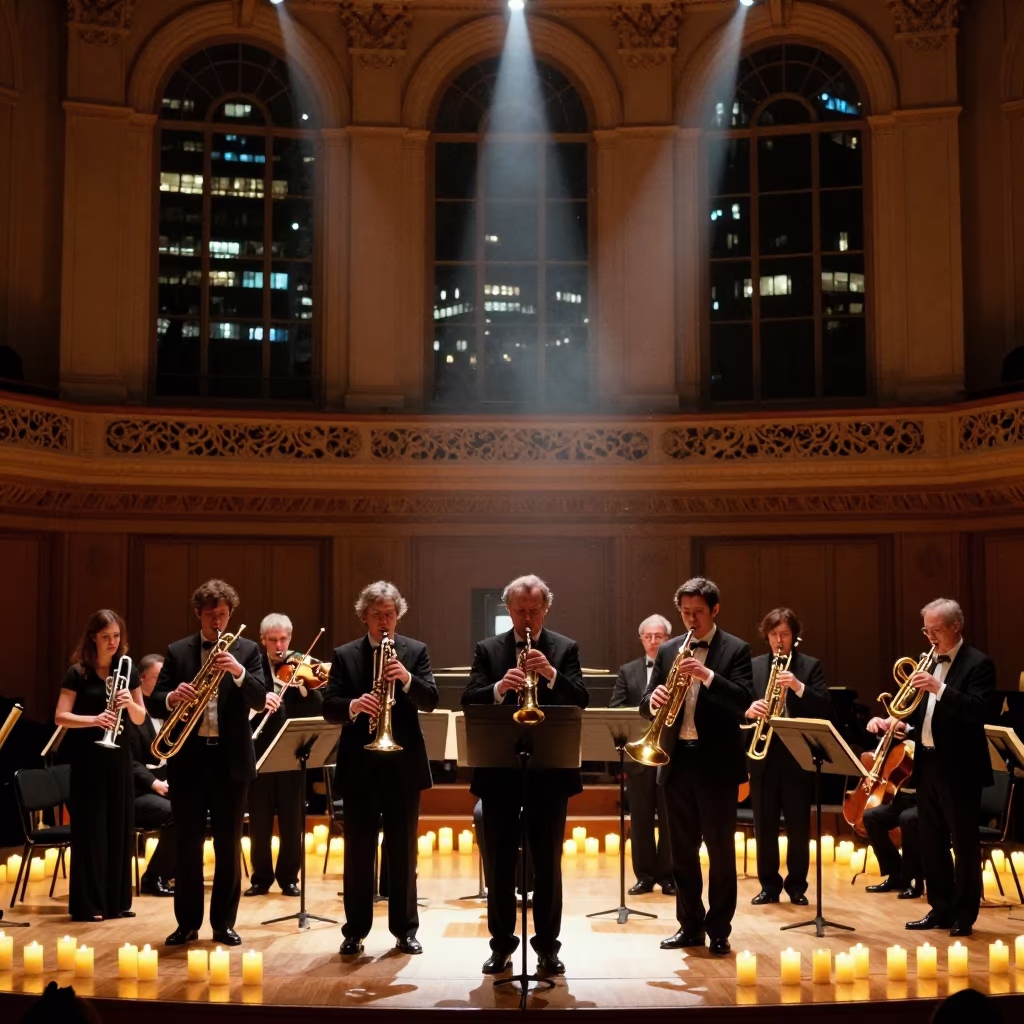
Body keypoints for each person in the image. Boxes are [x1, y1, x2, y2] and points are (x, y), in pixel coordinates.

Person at [461, 574, 589, 977]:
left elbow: (581, 699)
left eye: (534, 610)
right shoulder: (488, 649)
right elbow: (468, 700)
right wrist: (500, 687)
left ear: (545, 609)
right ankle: (501, 946)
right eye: (520, 611)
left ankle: (548, 948)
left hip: (549, 772)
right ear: (508, 609)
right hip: (499, 772)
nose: (527, 618)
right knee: (499, 864)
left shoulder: (565, 648)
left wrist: (550, 674)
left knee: (548, 863)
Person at [148, 578, 266, 946]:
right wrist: (171, 698)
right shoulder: (178, 651)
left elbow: (262, 698)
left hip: (230, 761)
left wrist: (238, 672)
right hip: (189, 761)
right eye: (212, 615)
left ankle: (223, 924)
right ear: (198, 613)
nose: (219, 622)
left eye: (225, 615)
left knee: (229, 846)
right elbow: (155, 701)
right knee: (187, 845)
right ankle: (187, 924)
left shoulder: (246, 650)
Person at [322, 582, 438, 956]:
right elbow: (329, 706)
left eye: (389, 614)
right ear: (364, 617)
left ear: (398, 615)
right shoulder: (345, 655)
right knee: (358, 852)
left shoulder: (415, 652)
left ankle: (405, 930)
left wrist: (405, 678)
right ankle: (355, 929)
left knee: (403, 851)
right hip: (360, 768)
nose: (384, 621)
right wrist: (355, 705)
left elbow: (431, 700)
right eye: (376, 615)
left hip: (403, 766)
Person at [868, 598, 995, 937]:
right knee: (931, 840)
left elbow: (979, 711)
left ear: (956, 627)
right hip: (928, 763)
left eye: (937, 630)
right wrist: (899, 726)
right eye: (927, 630)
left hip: (961, 769)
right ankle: (939, 907)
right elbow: (926, 720)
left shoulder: (978, 664)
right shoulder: (929, 661)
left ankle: (963, 914)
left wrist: (939, 687)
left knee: (964, 845)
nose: (930, 637)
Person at [640, 577, 752, 957]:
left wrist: (707, 676)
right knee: (681, 852)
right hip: (676, 761)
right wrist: (652, 700)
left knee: (720, 851)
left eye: (698, 613)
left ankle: (718, 928)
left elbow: (743, 701)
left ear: (715, 610)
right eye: (685, 613)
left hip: (716, 764)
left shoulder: (736, 649)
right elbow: (644, 703)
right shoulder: (669, 648)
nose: (691, 620)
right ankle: (689, 926)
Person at [55, 609, 146, 922]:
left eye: (116, 636)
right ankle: (89, 904)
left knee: (118, 826)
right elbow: (60, 716)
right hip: (88, 760)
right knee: (91, 829)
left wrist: (129, 703)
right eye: (106, 636)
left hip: (118, 757)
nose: (112, 642)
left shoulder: (128, 670)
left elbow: (140, 717)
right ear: (93, 637)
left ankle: (116, 902)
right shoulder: (77, 673)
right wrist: (94, 719)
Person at [744, 608, 830, 907]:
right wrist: (749, 709)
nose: (779, 641)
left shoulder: (809, 666)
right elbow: (739, 701)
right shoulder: (754, 666)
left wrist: (797, 686)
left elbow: (824, 707)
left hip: (797, 757)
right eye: (773, 635)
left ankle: (797, 886)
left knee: (797, 826)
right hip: (763, 757)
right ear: (766, 636)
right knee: (764, 825)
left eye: (785, 634)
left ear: (795, 636)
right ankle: (768, 885)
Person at [246, 613, 325, 898]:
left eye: (283, 639)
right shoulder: (253, 666)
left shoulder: (301, 665)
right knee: (260, 820)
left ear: (289, 638)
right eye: (273, 640)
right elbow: (243, 704)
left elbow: (319, 706)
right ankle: (261, 878)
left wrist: (303, 684)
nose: (279, 646)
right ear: (263, 640)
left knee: (293, 820)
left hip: (292, 754)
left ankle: (289, 877)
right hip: (260, 754)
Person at [609, 614, 674, 896]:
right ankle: (644, 876)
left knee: (670, 819)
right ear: (641, 639)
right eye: (647, 636)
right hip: (639, 755)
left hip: (670, 754)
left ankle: (668, 876)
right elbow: (617, 707)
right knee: (641, 820)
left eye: (658, 636)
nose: (652, 641)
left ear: (668, 639)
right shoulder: (628, 670)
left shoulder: (679, 668)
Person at [123, 653, 176, 897]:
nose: (162, 684)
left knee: (195, 807)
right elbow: (129, 761)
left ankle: (174, 872)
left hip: (165, 783)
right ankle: (154, 877)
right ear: (141, 680)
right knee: (176, 815)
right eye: (157, 678)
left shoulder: (170, 708)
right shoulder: (131, 712)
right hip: (137, 791)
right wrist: (154, 783)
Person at [862, 787, 922, 899]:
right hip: (900, 798)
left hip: (924, 799)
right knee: (870, 817)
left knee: (907, 819)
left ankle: (913, 879)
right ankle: (896, 874)